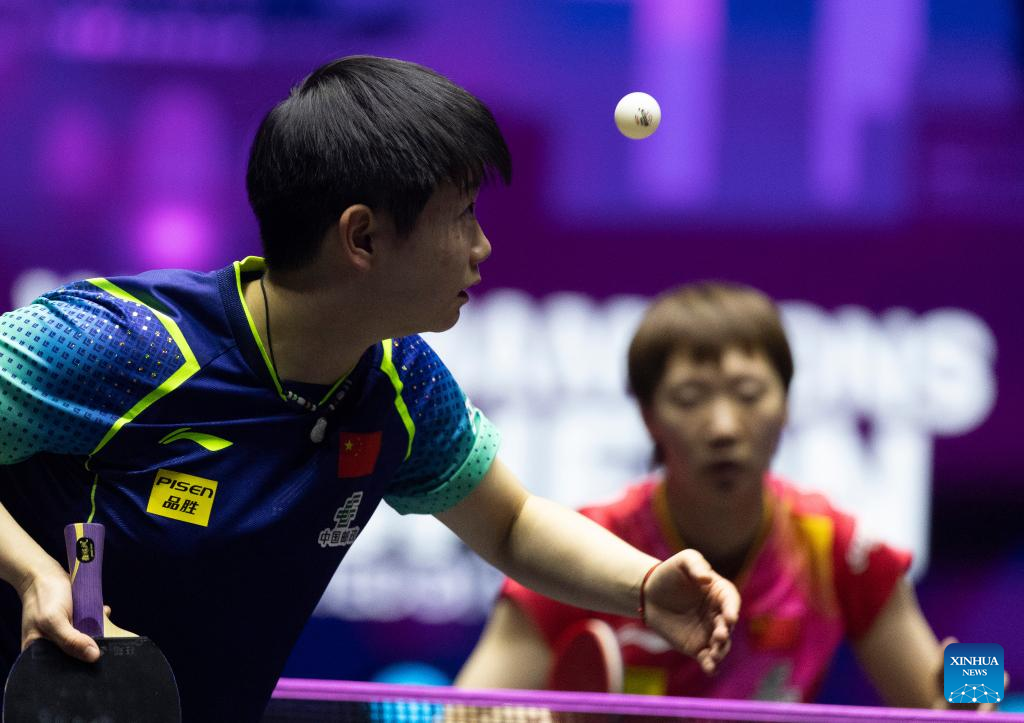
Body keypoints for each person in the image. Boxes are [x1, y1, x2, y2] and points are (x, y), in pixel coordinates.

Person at [0, 56, 739, 722]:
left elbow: (510, 523)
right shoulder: (125, 347)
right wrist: (34, 575)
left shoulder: (397, 383)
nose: (482, 246)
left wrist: (646, 586)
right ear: (362, 238)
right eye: (462, 216)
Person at [457, 281, 972, 710]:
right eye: (690, 398)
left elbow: (946, 699)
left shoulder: (836, 547)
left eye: (749, 395)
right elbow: (459, 713)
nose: (724, 426)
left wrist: (975, 693)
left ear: (786, 405)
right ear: (649, 418)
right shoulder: (581, 548)